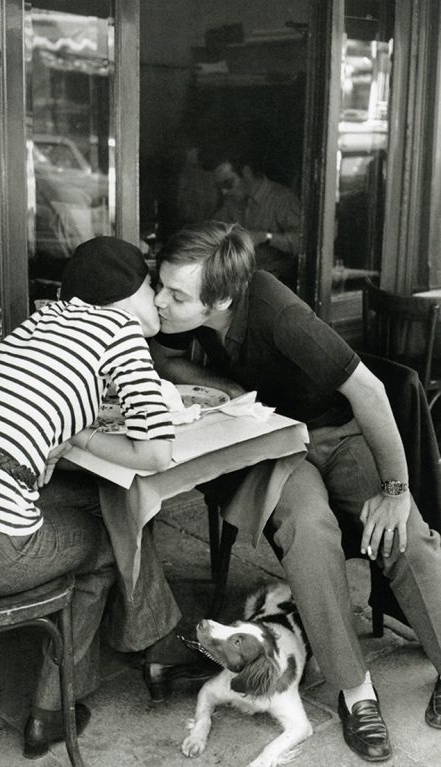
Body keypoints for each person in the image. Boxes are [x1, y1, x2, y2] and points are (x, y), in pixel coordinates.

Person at [150, 220, 441, 762]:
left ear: (221, 299)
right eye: (161, 285)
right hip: (278, 443)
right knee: (308, 530)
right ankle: (356, 691)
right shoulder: (174, 309)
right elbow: (162, 356)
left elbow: (372, 392)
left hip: (339, 430)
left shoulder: (280, 313)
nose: (159, 300)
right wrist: (226, 386)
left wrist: (396, 489)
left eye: (175, 294)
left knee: (405, 530)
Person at [0, 236, 211, 758]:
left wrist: (65, 439)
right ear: (128, 290)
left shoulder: (42, 321)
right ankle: (53, 710)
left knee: (103, 502)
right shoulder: (119, 333)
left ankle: (159, 646)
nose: (157, 299)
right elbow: (156, 453)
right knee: (110, 542)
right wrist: (82, 437)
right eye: (151, 285)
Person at [200, 143, 301, 288]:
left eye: (228, 183)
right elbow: (212, 229)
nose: (224, 192)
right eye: (220, 187)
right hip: (240, 281)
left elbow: (302, 243)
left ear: (246, 173)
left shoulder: (282, 199)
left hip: (277, 284)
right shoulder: (232, 201)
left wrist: (266, 237)